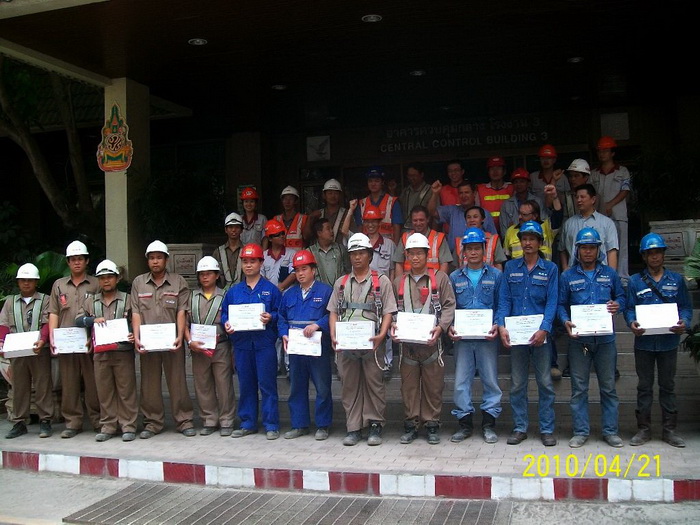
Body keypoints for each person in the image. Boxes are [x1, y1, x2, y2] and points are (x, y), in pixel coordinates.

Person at [558, 228, 625, 448]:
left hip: (605, 341)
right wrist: (565, 320)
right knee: (579, 389)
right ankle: (580, 432)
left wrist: (618, 305)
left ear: (598, 250)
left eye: (592, 248)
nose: (588, 252)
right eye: (584, 248)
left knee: (608, 388)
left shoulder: (610, 274)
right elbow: (560, 304)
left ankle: (610, 432)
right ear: (577, 250)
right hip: (579, 341)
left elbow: (621, 297)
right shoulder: (567, 276)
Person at [328, 233, 398, 446]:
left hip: (372, 342)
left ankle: (375, 424)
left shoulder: (381, 281)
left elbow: (388, 311)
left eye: (361, 253)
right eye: (353, 254)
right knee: (349, 385)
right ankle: (354, 427)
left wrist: (382, 335)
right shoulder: (341, 283)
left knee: (374, 384)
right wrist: (333, 334)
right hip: (347, 344)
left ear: (369, 255)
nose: (357, 257)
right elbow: (333, 312)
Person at [625, 233, 692, 448]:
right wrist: (631, 322)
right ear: (644, 256)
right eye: (650, 253)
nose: (654, 257)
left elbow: (686, 307)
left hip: (668, 343)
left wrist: (684, 322)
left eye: (658, 252)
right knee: (644, 386)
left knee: (668, 386)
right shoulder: (635, 281)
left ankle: (669, 430)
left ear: (663, 254)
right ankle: (643, 429)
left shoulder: (677, 280)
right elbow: (629, 308)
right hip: (644, 343)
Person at [496, 221, 559, 446]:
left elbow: (552, 301)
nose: (528, 243)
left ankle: (547, 429)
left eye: (532, 239)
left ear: (540, 242)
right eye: (524, 239)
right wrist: (501, 325)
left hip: (541, 336)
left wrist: (545, 328)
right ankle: (520, 427)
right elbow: (504, 299)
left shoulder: (550, 269)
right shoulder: (511, 267)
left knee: (545, 383)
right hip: (517, 336)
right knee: (517, 384)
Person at [392, 233, 455, 445]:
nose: (416, 257)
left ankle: (431, 424)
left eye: (420, 253)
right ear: (406, 255)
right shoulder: (399, 281)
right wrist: (393, 326)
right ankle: (411, 424)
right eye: (412, 253)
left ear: (427, 255)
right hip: (408, 346)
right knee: (409, 387)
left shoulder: (440, 278)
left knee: (433, 386)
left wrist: (441, 327)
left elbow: (449, 305)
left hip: (432, 344)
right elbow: (392, 309)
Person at [131, 240, 195, 438]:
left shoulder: (178, 281)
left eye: (159, 257)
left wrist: (180, 336)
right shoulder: (138, 282)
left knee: (178, 381)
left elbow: (182, 311)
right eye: (152, 258)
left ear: (166, 260)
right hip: (148, 342)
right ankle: (152, 423)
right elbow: (136, 312)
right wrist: (137, 338)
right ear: (147, 261)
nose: (155, 261)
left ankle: (184, 421)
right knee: (149, 383)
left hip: (172, 341)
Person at [222, 243, 282, 440]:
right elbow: (225, 314)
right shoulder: (233, 292)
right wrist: (227, 324)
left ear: (260, 263)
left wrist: (271, 317)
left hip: (264, 345)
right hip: (242, 346)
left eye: (252, 261)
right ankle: (248, 423)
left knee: (267, 385)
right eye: (245, 261)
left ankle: (271, 424)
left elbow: (280, 313)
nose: (248, 265)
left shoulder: (271, 290)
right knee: (246, 385)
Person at [448, 229, 503, 444]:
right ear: (463, 252)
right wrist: (450, 327)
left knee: (490, 380)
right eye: (469, 248)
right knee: (461, 382)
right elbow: (449, 306)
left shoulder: (496, 275)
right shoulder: (455, 277)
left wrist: (498, 324)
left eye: (477, 248)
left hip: (487, 338)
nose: (473, 252)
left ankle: (489, 424)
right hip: (462, 339)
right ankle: (465, 424)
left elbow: (501, 304)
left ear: (484, 250)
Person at [75, 260, 138, 442]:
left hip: (122, 351)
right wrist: (91, 321)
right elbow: (77, 320)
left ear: (117, 279)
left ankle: (128, 425)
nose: (106, 281)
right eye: (102, 278)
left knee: (126, 390)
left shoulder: (127, 299)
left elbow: (136, 320)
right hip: (101, 354)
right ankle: (108, 426)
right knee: (104, 391)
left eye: (110, 277)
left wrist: (134, 334)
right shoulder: (91, 301)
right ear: (98, 280)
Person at [278, 250, 334, 441]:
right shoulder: (289, 294)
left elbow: (333, 314)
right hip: (296, 348)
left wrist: (318, 324)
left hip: (318, 347)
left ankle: (323, 425)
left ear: (313, 270)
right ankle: (299, 424)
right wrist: (284, 334)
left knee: (322, 387)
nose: (300, 273)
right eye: (297, 270)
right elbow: (281, 318)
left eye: (304, 269)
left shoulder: (325, 291)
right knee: (297, 387)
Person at [48, 240, 100, 438]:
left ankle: (98, 420)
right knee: (69, 384)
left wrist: (94, 338)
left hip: (89, 342)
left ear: (87, 261)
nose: (77, 262)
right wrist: (53, 337)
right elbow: (54, 312)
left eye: (80, 259)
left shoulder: (96, 283)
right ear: (68, 262)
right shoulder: (59, 285)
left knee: (93, 383)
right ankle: (72, 422)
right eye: (73, 259)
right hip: (66, 343)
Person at [184, 256, 236, 437]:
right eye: (202, 274)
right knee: (203, 385)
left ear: (217, 275)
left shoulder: (226, 296)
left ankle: (227, 420)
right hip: (198, 348)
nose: (205, 277)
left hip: (220, 345)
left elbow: (232, 320)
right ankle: (209, 420)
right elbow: (184, 323)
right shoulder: (191, 297)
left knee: (224, 385)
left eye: (209, 274)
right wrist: (189, 341)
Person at [0, 263, 52, 439]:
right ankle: (19, 422)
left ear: (36, 282)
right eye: (23, 280)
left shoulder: (45, 299)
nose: (26, 283)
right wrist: (2, 343)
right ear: (18, 282)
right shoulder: (10, 301)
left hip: (39, 350)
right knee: (19, 387)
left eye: (30, 280)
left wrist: (43, 339)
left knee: (43, 385)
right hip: (17, 350)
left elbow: (47, 322)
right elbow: (3, 324)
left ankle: (45, 420)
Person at [590, 136, 631, 282]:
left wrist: (610, 204)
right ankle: (604, 275)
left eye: (605, 151)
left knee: (621, 246)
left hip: (618, 214)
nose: (602, 154)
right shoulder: (594, 173)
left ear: (612, 153)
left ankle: (622, 277)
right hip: (600, 215)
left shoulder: (622, 171)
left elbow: (625, 190)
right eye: (600, 151)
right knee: (602, 245)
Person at [559, 184, 619, 271]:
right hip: (573, 273)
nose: (579, 200)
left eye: (582, 197)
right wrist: (565, 268)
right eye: (577, 197)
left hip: (601, 273)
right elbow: (562, 249)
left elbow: (612, 250)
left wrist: (611, 274)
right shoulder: (568, 223)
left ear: (593, 199)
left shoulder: (607, 223)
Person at [428, 180, 497, 251]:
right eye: (461, 193)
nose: (463, 196)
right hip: (454, 256)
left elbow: (493, 238)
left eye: (467, 192)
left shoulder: (484, 213)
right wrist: (435, 194)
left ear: (474, 193)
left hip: (476, 255)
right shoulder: (452, 211)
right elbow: (431, 212)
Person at [393, 205, 453, 279]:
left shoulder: (439, 238)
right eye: (415, 220)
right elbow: (398, 263)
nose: (418, 223)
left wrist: (439, 283)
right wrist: (400, 283)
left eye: (421, 220)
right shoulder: (405, 237)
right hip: (409, 281)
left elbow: (444, 264)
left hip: (432, 281)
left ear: (428, 219)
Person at [503, 196, 562, 262]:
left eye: (524, 214)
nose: (519, 217)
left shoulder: (546, 227)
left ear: (535, 216)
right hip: (518, 268)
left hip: (544, 267)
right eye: (519, 213)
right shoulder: (511, 230)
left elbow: (558, 216)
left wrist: (555, 197)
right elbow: (506, 257)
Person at [353, 167, 403, 245]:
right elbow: (360, 228)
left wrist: (395, 248)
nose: (373, 184)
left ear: (382, 182)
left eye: (377, 181)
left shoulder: (392, 202)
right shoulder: (361, 203)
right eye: (370, 181)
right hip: (367, 245)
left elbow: (397, 227)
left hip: (387, 246)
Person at [499, 168, 547, 238]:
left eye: (522, 181)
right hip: (513, 241)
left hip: (535, 239)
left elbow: (543, 224)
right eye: (516, 182)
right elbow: (504, 232)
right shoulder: (506, 204)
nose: (518, 184)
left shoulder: (537, 201)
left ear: (528, 183)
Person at [460, 206, 506, 271]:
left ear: (482, 219)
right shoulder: (460, 241)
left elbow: (498, 264)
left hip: (490, 276)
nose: (472, 220)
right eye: (469, 217)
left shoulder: (493, 239)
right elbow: (457, 267)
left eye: (475, 217)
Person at [305, 179, 349, 245]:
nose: (333, 196)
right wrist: (310, 218)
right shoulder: (317, 215)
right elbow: (306, 237)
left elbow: (353, 235)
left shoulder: (347, 214)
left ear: (340, 195)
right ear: (324, 195)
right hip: (319, 251)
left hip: (341, 250)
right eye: (330, 193)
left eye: (336, 193)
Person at [309, 218, 350, 288]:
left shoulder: (340, 249)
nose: (332, 231)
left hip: (340, 290)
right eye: (328, 229)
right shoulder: (310, 252)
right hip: (319, 291)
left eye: (331, 228)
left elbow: (348, 270)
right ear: (319, 233)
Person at [476, 156, 513, 233]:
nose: (495, 172)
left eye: (498, 168)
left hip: (509, 231)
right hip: (487, 232)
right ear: (488, 172)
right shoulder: (480, 189)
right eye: (492, 169)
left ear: (504, 171)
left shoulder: (512, 188)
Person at [261, 219, 297, 292]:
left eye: (283, 233)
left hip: (288, 294)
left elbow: (293, 274)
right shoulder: (263, 256)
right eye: (277, 235)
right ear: (270, 238)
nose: (282, 236)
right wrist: (271, 292)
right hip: (269, 294)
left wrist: (278, 290)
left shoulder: (292, 254)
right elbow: (261, 276)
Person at [212, 212, 245, 289]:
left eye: (237, 227)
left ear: (241, 230)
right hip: (222, 292)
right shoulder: (218, 252)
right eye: (230, 227)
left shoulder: (247, 250)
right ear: (226, 230)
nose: (233, 230)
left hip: (244, 292)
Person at [399, 162, 432, 231]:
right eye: (409, 175)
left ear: (421, 175)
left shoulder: (430, 191)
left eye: (414, 175)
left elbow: (434, 215)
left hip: (424, 231)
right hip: (406, 231)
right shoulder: (405, 191)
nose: (411, 178)